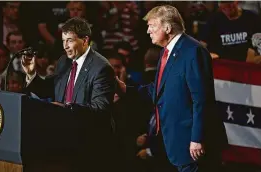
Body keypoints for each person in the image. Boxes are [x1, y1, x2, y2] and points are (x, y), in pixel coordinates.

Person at [116, 5, 227, 172]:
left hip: (194, 145)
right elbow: (159, 90)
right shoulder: (166, 52)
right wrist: (125, 88)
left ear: (167, 27)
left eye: (152, 26)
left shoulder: (193, 51)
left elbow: (201, 99)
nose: (148, 31)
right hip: (175, 141)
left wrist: (197, 138)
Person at [21, 17, 116, 172]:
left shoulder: (101, 68)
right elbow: (50, 88)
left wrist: (67, 109)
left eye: (70, 40)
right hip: (62, 142)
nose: (65, 46)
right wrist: (31, 74)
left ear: (85, 40)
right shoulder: (64, 62)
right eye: (63, 41)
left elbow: (101, 110)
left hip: (89, 145)